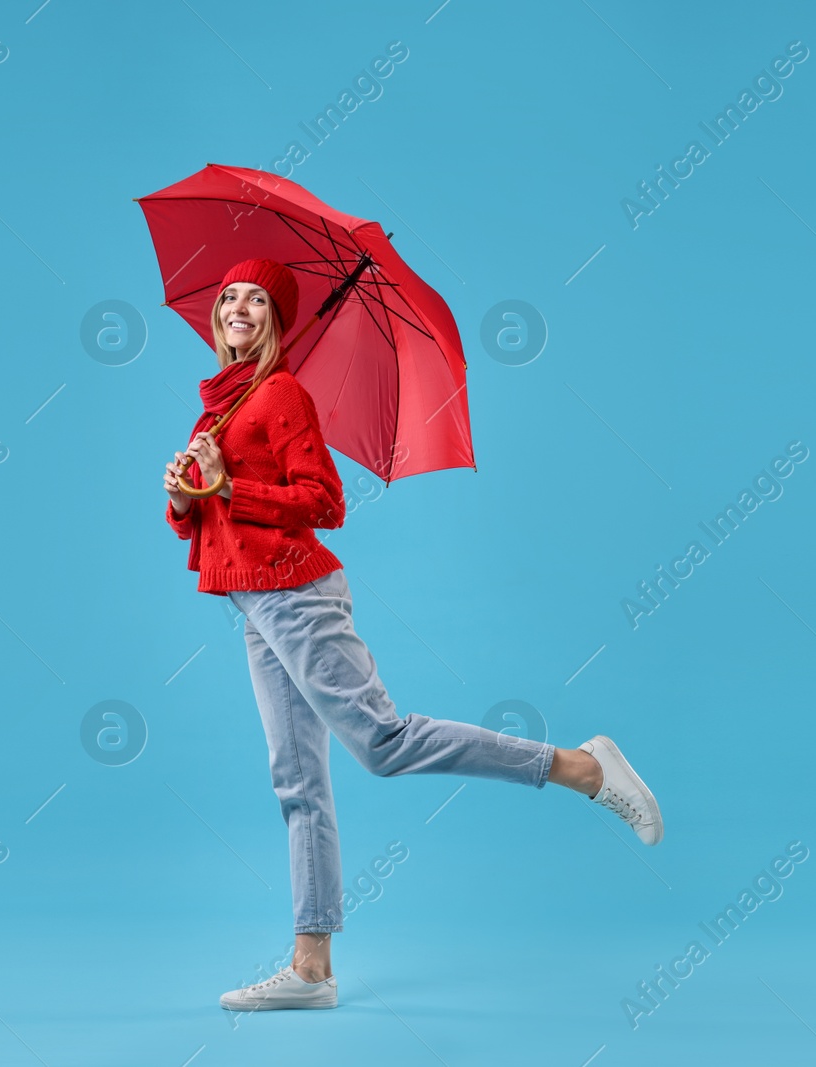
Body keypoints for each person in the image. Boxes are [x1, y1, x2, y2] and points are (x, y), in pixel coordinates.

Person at [162, 258, 663, 1013]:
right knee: (297, 781)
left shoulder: (282, 393)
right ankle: (312, 968)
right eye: (230, 295)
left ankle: (580, 766)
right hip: (254, 604)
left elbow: (324, 500)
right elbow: (204, 521)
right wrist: (184, 494)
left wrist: (234, 486)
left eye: (258, 298)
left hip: (298, 592)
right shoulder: (218, 409)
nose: (238, 305)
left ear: (276, 319)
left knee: (383, 743)